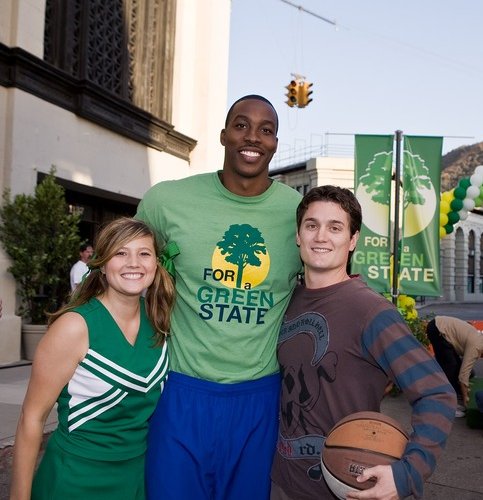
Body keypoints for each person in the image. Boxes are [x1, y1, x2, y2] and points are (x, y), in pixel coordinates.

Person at [136, 95, 302, 500]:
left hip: (259, 398)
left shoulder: (299, 214)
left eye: (266, 130)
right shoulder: (165, 202)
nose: (253, 137)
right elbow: (125, 270)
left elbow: (332, 286)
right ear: (224, 135)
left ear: (276, 143)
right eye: (242, 125)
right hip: (181, 392)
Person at [271, 185, 457, 500]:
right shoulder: (285, 300)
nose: (321, 236)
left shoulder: (371, 311)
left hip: (344, 487)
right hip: (282, 483)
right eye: (312, 225)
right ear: (298, 235)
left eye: (335, 227)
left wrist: (408, 473)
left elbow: (436, 394)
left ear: (353, 240)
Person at [10, 217, 175, 500]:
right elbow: (31, 418)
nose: (133, 263)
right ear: (101, 264)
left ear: (156, 263)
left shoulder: (160, 323)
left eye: (144, 253)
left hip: (134, 480)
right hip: (73, 480)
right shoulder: (75, 326)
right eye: (121, 253)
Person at [426, 315, 483, 415]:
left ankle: (456, 392)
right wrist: (466, 400)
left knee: (467, 371)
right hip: (437, 329)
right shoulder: (476, 347)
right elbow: (463, 375)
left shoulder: (479, 342)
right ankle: (448, 405)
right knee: (451, 368)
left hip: (445, 332)